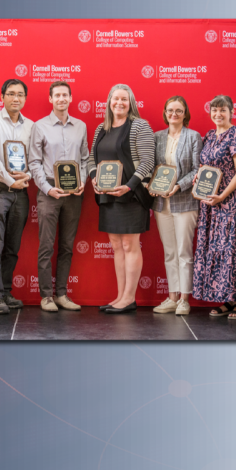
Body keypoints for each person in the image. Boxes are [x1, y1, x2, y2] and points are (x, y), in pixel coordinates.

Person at [81, 84, 154, 314]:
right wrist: (94, 177)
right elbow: (91, 159)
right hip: (107, 196)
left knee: (129, 244)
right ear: (109, 102)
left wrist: (129, 186)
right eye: (115, 99)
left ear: (131, 102)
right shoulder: (102, 128)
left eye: (124, 99)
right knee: (116, 245)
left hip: (131, 196)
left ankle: (129, 298)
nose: (119, 103)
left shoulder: (140, 126)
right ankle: (120, 297)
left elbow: (147, 161)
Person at [192, 95, 236, 319]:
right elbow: (206, 168)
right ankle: (228, 300)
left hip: (232, 202)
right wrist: (198, 180)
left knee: (233, 250)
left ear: (231, 112)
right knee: (218, 250)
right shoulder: (209, 136)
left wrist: (222, 196)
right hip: (211, 203)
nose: (218, 114)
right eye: (214, 110)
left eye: (223, 110)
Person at [26, 81, 86, 312]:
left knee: (67, 246)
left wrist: (82, 181)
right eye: (57, 95)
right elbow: (34, 162)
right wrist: (46, 188)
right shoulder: (39, 126)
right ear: (50, 99)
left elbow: (84, 158)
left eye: (65, 95)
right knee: (46, 246)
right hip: (49, 190)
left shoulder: (80, 126)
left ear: (71, 98)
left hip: (74, 192)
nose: (61, 98)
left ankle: (61, 294)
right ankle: (46, 297)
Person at [0, 79, 34, 314]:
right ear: (2, 97)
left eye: (20, 94)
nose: (15, 98)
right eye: (11, 94)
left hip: (21, 192)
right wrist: (13, 181)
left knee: (12, 246)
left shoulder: (31, 126)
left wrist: (28, 175)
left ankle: (5, 291)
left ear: (25, 98)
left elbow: (35, 159)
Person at [148, 96, 203, 315]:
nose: (174, 114)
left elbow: (197, 169)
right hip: (161, 202)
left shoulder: (193, 136)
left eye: (179, 111)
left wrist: (179, 186)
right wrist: (151, 184)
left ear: (185, 113)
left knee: (184, 252)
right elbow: (152, 167)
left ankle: (184, 300)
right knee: (170, 252)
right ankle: (171, 297)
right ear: (165, 112)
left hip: (185, 201)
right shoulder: (157, 137)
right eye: (170, 110)